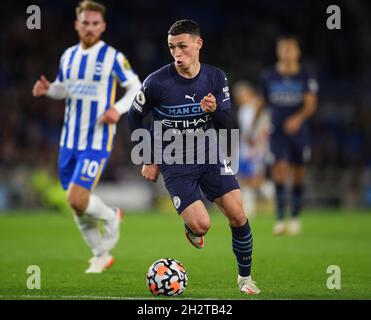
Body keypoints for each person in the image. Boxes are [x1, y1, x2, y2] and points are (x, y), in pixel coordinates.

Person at [128, 20, 261, 295]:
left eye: (182, 47)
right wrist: (148, 157)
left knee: (237, 215)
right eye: (172, 47)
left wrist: (215, 111)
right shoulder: (157, 82)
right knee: (203, 226)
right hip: (174, 158)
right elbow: (134, 115)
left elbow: (226, 126)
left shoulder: (215, 78)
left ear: (198, 44)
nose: (177, 53)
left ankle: (245, 279)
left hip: (209, 153)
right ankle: (193, 230)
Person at [32, 0, 141, 273]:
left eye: (95, 24)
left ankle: (112, 216)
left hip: (96, 141)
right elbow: (63, 89)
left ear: (102, 26)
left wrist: (117, 109)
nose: (90, 28)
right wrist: (49, 89)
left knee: (77, 199)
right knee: (77, 207)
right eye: (85, 23)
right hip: (68, 142)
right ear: (77, 24)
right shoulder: (68, 56)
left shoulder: (113, 57)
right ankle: (101, 254)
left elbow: (136, 87)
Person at [258, 35, 318, 235]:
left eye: (290, 49)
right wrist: (254, 126)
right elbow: (263, 102)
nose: (286, 53)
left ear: (297, 52)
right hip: (277, 132)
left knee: (299, 175)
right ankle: (281, 218)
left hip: (299, 133)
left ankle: (295, 216)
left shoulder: (305, 76)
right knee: (280, 170)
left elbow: (311, 104)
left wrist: (298, 119)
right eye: (283, 49)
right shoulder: (269, 76)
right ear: (278, 51)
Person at [233, 81, 271, 218]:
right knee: (243, 179)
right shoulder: (243, 109)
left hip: (255, 150)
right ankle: (248, 210)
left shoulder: (257, 107)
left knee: (256, 180)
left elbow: (265, 129)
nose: (239, 98)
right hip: (244, 150)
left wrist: (258, 147)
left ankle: (276, 197)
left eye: (241, 95)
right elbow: (245, 132)